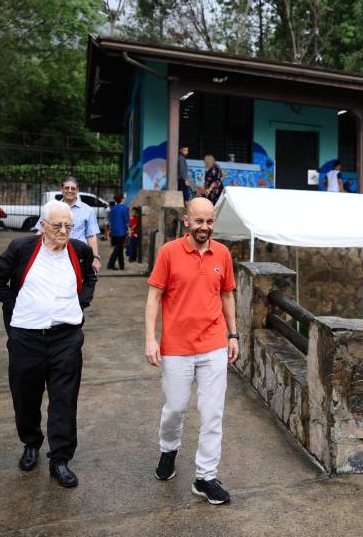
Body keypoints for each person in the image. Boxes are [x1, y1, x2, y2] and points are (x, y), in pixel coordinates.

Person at [0, 200, 97, 488]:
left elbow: (91, 277)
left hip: (66, 339)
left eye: (68, 226)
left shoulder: (79, 250)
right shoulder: (21, 248)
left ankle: (60, 459)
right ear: (43, 225)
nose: (63, 231)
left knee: (64, 399)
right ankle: (31, 443)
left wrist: (81, 302)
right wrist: (16, 304)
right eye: (57, 225)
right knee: (26, 396)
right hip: (26, 338)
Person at [145, 197, 239, 505]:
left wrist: (233, 335)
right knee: (175, 407)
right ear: (186, 220)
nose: (205, 227)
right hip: (177, 346)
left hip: (213, 344)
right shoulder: (169, 252)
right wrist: (150, 338)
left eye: (210, 221)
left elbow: (227, 296)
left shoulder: (222, 253)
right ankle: (169, 449)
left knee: (212, 414)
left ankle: (205, 477)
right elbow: (154, 297)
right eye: (199, 221)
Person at [36, 176, 102, 274]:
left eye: (73, 188)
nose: (69, 191)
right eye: (66, 188)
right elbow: (41, 230)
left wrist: (95, 257)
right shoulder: (51, 208)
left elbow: (91, 236)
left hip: (78, 256)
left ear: (78, 190)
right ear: (62, 190)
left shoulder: (88, 211)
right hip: (53, 254)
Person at [107, 193, 129, 270]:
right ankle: (110, 264)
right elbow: (126, 220)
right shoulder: (124, 208)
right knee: (118, 248)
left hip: (114, 231)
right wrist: (129, 230)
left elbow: (110, 220)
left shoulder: (113, 208)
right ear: (122, 199)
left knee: (119, 248)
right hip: (122, 231)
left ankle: (121, 265)